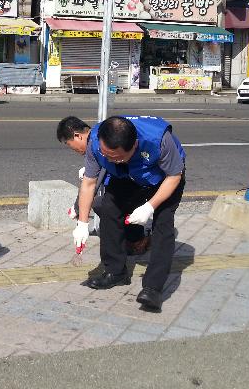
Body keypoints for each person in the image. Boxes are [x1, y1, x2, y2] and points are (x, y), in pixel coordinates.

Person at [71, 116, 185, 312]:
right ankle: (115, 272)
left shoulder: (159, 140)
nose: (109, 159)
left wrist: (150, 206)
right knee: (109, 207)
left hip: (163, 177)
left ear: (135, 146)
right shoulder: (96, 142)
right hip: (126, 174)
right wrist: (82, 223)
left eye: (116, 157)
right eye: (106, 155)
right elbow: (89, 183)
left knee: (163, 224)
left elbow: (174, 175)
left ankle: (153, 288)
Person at [56, 116, 150, 254]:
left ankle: (136, 241)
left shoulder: (100, 143)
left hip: (137, 183)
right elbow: (89, 183)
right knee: (108, 206)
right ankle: (128, 241)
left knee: (106, 206)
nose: (73, 150)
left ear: (77, 136)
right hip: (125, 183)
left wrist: (78, 210)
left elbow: (93, 184)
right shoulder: (97, 138)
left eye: (70, 145)